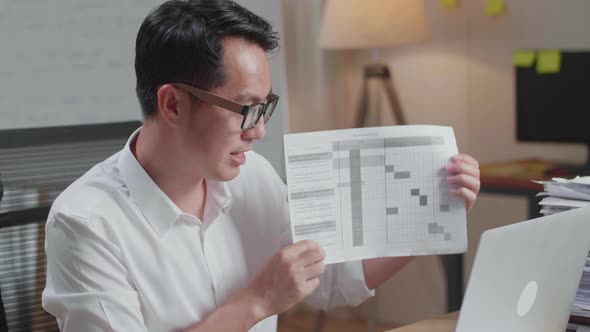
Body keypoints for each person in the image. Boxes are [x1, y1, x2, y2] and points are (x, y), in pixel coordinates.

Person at [42, 1, 481, 331]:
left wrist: (429, 211)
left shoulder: (250, 176)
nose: (258, 132)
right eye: (245, 109)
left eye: (264, 108)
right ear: (173, 104)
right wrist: (257, 301)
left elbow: (334, 280)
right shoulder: (84, 221)